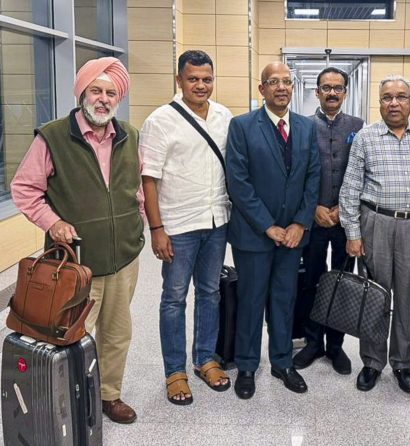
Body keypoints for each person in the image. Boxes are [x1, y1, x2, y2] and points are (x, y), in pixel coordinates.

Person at [11, 57, 144, 424]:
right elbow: (24, 188)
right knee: (69, 337)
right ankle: (66, 400)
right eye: (96, 91)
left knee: (117, 333)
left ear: (118, 98)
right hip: (75, 264)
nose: (103, 99)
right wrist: (52, 222)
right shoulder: (53, 136)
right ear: (82, 93)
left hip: (123, 257)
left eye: (111, 93)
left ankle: (109, 395)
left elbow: (136, 189)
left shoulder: (130, 135)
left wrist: (141, 224)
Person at [139, 50, 233, 406]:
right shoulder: (160, 120)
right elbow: (148, 179)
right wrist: (156, 229)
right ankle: (175, 371)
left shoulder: (224, 116)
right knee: (174, 298)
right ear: (179, 80)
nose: (200, 85)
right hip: (178, 224)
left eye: (207, 79)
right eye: (193, 79)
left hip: (216, 220)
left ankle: (205, 358)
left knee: (210, 292)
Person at [339, 74, 410, 394]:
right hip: (376, 224)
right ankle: (372, 362)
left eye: (400, 97)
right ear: (379, 102)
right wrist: (353, 233)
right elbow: (350, 189)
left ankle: (402, 363)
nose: (394, 103)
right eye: (387, 97)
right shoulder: (365, 137)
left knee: (406, 297)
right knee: (375, 296)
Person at [226, 62, 320, 399]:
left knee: (284, 299)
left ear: (293, 87)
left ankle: (282, 362)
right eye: (273, 82)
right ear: (261, 88)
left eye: (286, 81)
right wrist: (268, 226)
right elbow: (238, 182)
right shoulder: (242, 126)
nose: (281, 87)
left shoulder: (306, 127)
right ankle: (247, 365)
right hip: (254, 234)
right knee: (251, 300)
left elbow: (313, 177)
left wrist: (300, 223)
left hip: (293, 236)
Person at [292, 67, 364, 375]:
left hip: (346, 221)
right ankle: (312, 342)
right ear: (317, 92)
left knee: (341, 283)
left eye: (337, 88)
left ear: (345, 92)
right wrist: (314, 209)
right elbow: (296, 173)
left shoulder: (359, 127)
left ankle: (335, 345)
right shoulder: (303, 126)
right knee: (312, 281)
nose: (332, 92)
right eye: (326, 87)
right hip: (314, 219)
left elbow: (362, 172)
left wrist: (342, 210)